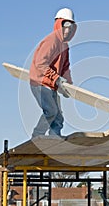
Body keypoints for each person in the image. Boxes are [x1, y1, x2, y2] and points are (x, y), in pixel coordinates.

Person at [29, 8, 77, 138]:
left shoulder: (65, 46)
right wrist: (57, 79)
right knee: (51, 111)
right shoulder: (51, 41)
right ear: (59, 24)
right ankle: (37, 135)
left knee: (58, 115)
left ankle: (54, 137)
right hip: (40, 82)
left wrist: (68, 85)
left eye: (70, 27)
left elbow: (65, 68)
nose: (68, 30)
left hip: (52, 84)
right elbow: (40, 63)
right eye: (65, 26)